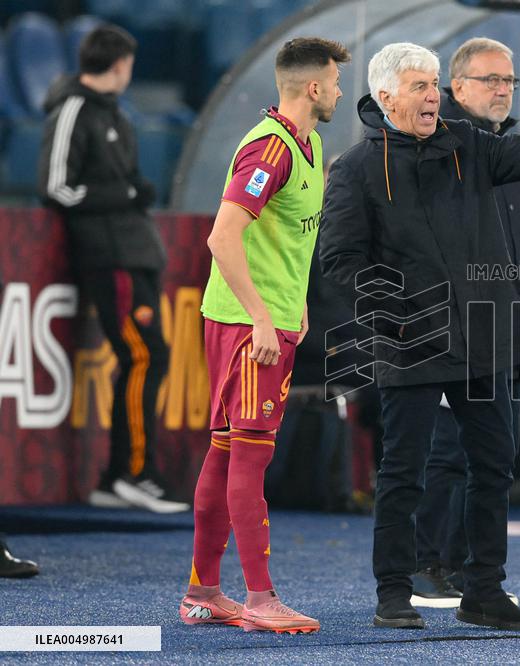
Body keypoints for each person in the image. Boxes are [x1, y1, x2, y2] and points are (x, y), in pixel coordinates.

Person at [319, 42, 520, 632]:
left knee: (494, 467)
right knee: (403, 473)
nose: (432, 96)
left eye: (433, 86)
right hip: (410, 343)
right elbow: (341, 264)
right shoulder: (354, 169)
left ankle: (484, 591)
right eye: (420, 87)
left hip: (483, 340)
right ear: (386, 96)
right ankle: (393, 592)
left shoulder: (470, 145)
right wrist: (397, 314)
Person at [180, 37, 350, 634]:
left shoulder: (310, 144)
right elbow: (222, 237)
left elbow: (287, 243)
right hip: (247, 326)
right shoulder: (271, 151)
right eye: (332, 81)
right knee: (250, 455)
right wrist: (259, 316)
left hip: (268, 318)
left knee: (228, 451)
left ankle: (203, 592)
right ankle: (259, 597)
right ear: (312, 87)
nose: (337, 90)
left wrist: (294, 302)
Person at [410, 37, 520, 607]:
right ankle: (423, 566)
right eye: (490, 80)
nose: (502, 89)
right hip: (455, 329)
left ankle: (461, 568)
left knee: (494, 455)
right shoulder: (434, 146)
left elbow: (514, 249)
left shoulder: (503, 150)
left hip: (506, 327)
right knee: (448, 449)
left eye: (509, 81)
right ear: (455, 86)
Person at [37, 25, 186, 514]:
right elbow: (56, 186)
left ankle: (118, 475)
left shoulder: (118, 114)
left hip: (135, 253)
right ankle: (131, 473)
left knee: (148, 358)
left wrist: (130, 193)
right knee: (145, 357)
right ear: (120, 64)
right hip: (108, 256)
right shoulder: (74, 108)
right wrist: (122, 195)